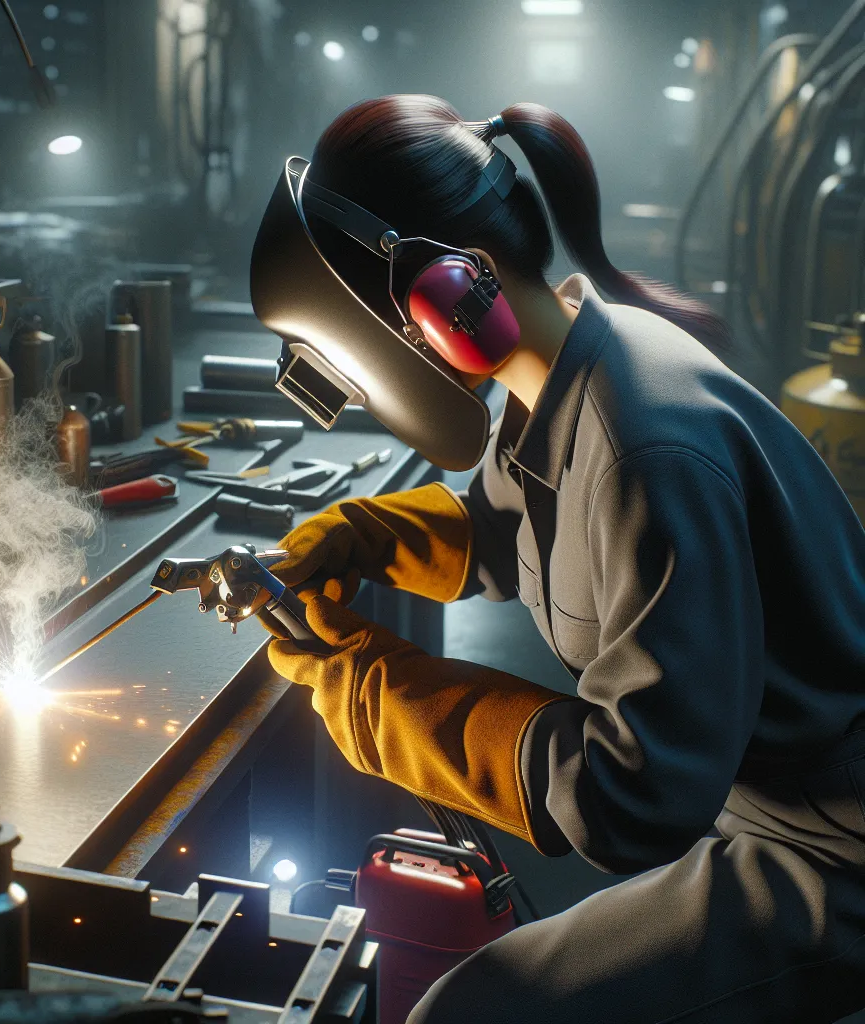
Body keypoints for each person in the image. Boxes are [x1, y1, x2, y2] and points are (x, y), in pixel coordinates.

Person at [255, 95, 865, 1022]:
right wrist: (370, 536)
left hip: (834, 851)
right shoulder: (570, 364)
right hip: (771, 808)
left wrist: (371, 690)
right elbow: (512, 526)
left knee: (473, 1015)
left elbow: (632, 795)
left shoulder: (648, 445)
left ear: (451, 289)